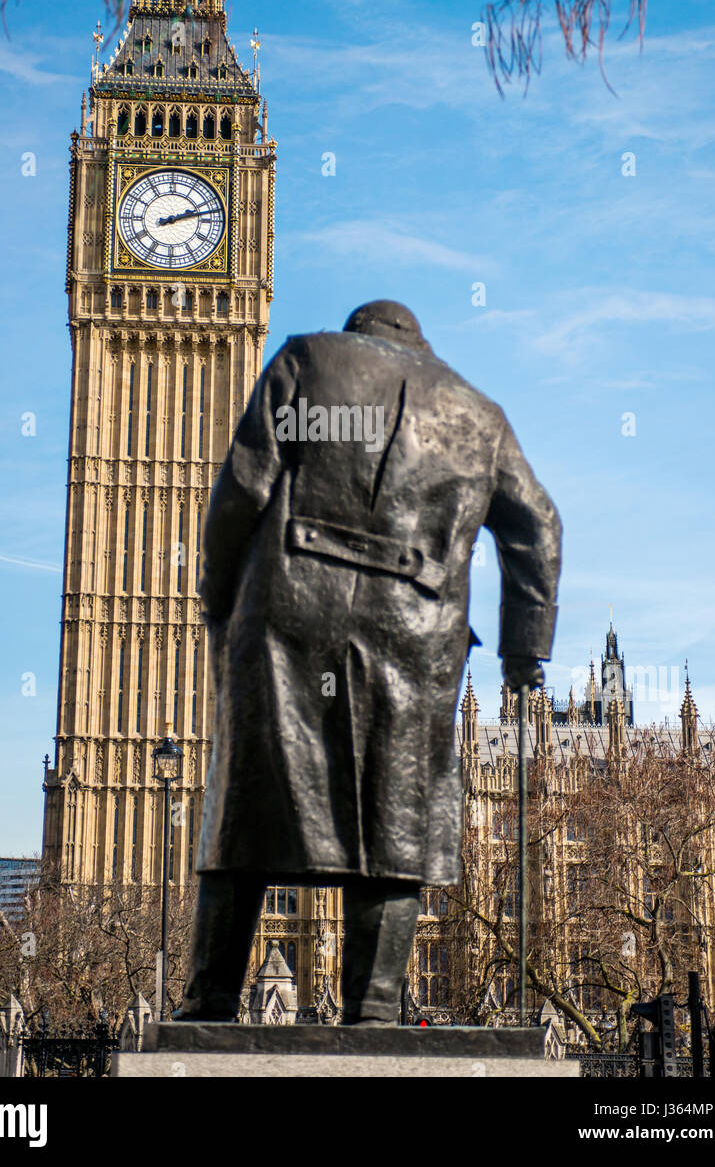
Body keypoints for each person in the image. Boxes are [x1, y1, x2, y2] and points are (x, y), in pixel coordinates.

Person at [174, 299, 561, 1024]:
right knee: (398, 812)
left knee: (249, 798)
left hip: (290, 605)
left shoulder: (307, 361)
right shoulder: (477, 413)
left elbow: (244, 487)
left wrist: (219, 596)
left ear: (358, 334)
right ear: (420, 342)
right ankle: (376, 1005)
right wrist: (523, 651)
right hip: (416, 629)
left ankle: (211, 996)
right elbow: (537, 526)